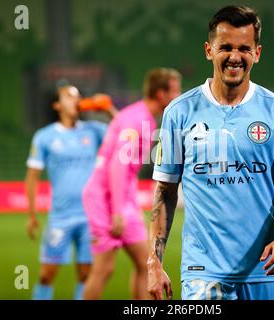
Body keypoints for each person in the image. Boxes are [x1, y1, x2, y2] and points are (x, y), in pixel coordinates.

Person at [148, 5, 274, 300]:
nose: (235, 56)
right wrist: (154, 261)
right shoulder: (178, 112)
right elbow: (165, 190)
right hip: (203, 272)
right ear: (209, 50)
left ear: (257, 53)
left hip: (264, 269)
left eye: (244, 48)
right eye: (226, 47)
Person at [82, 68, 182, 300]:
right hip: (107, 199)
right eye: (175, 91)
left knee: (143, 263)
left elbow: (122, 132)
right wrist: (118, 211)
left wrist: (109, 111)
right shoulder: (139, 120)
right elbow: (118, 165)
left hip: (118, 197)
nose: (179, 96)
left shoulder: (136, 116)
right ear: (160, 94)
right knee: (106, 269)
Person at [25, 84, 117, 300]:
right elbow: (32, 177)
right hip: (60, 217)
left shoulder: (93, 130)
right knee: (47, 274)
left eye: (78, 96)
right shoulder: (44, 137)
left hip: (90, 217)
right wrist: (31, 214)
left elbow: (126, 132)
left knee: (86, 274)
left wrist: (108, 110)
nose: (75, 100)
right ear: (57, 105)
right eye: (68, 96)